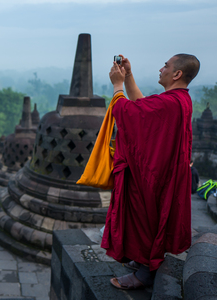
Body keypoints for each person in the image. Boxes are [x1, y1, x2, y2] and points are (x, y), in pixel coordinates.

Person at [102, 54, 200, 290]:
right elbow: (142, 106)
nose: (161, 69)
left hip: (156, 176)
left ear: (176, 74)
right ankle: (142, 260)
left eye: (166, 66)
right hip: (164, 172)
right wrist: (128, 76)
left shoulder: (171, 102)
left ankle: (147, 271)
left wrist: (116, 86)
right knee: (148, 216)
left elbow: (128, 113)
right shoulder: (178, 100)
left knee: (147, 216)